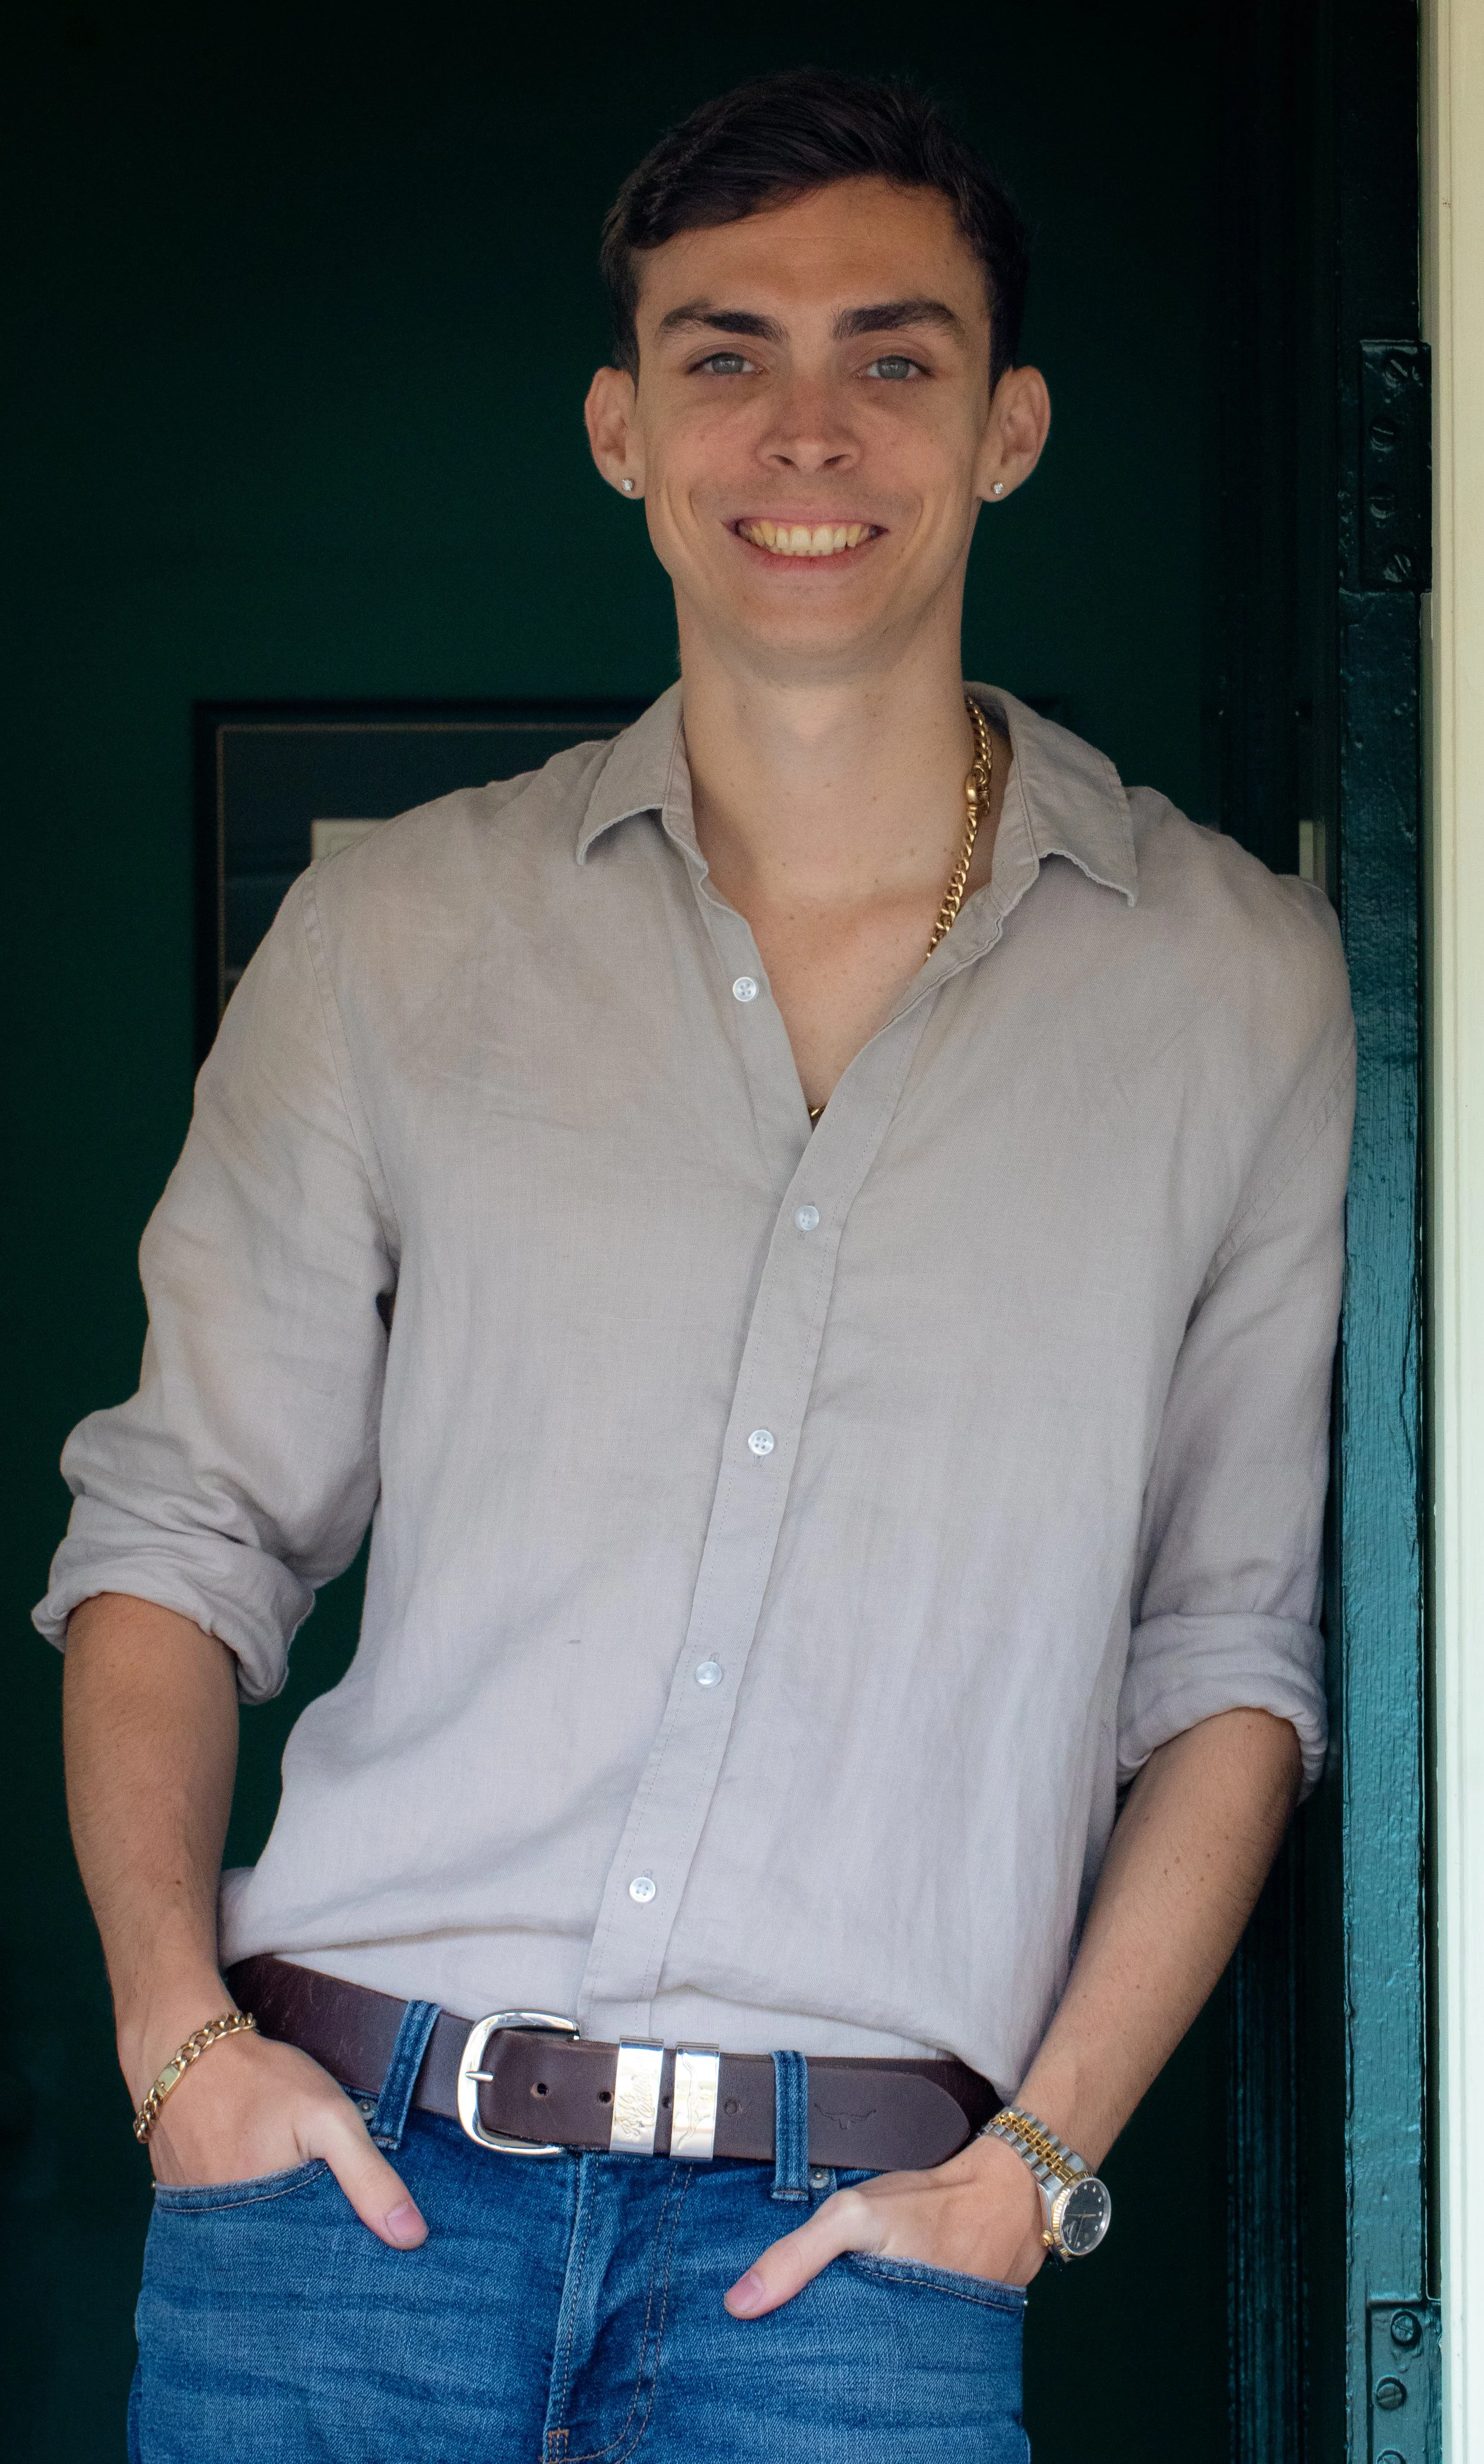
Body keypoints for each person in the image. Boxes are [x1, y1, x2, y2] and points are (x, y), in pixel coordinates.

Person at [38, 66, 1355, 2464]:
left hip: (846, 2261)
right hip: (336, 2200)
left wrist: (1035, 2164)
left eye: (894, 351)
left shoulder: (1234, 982)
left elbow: (1228, 1655)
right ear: (622, 424)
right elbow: (180, 1526)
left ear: (1014, 422)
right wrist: (173, 2036)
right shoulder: (399, 933)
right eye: (726, 351)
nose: (808, 429)